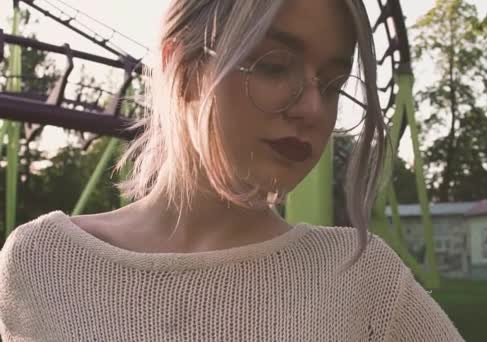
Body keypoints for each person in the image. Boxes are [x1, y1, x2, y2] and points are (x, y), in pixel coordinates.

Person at [0, 0, 463, 340]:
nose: (314, 108)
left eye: (334, 84)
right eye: (274, 66)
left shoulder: (360, 277)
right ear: (180, 67)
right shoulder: (40, 260)